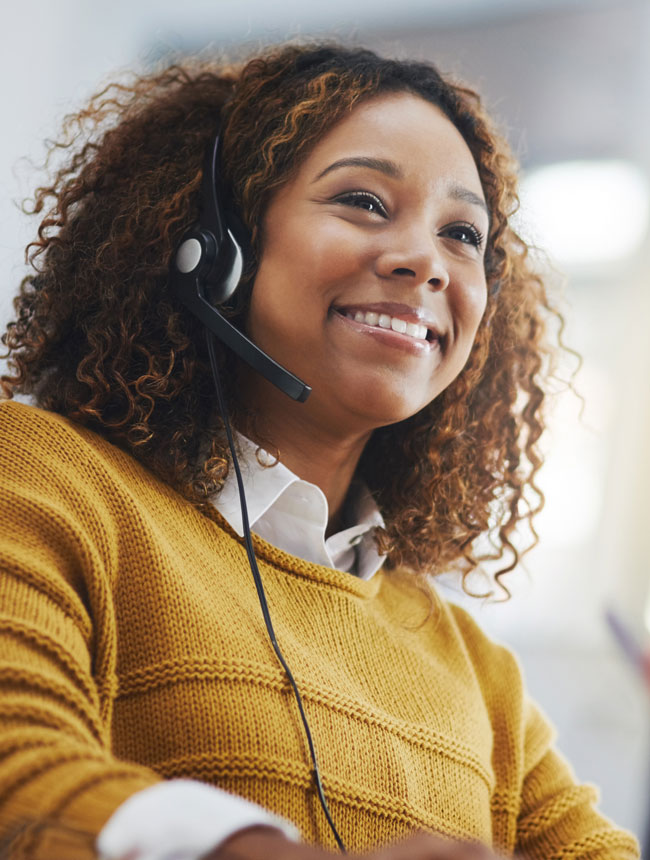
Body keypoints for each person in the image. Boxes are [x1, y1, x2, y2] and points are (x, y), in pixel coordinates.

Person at [0, 43, 639, 860]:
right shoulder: (43, 478)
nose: (424, 262)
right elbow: (19, 775)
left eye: (461, 234)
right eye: (365, 201)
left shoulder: (475, 670)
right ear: (214, 246)